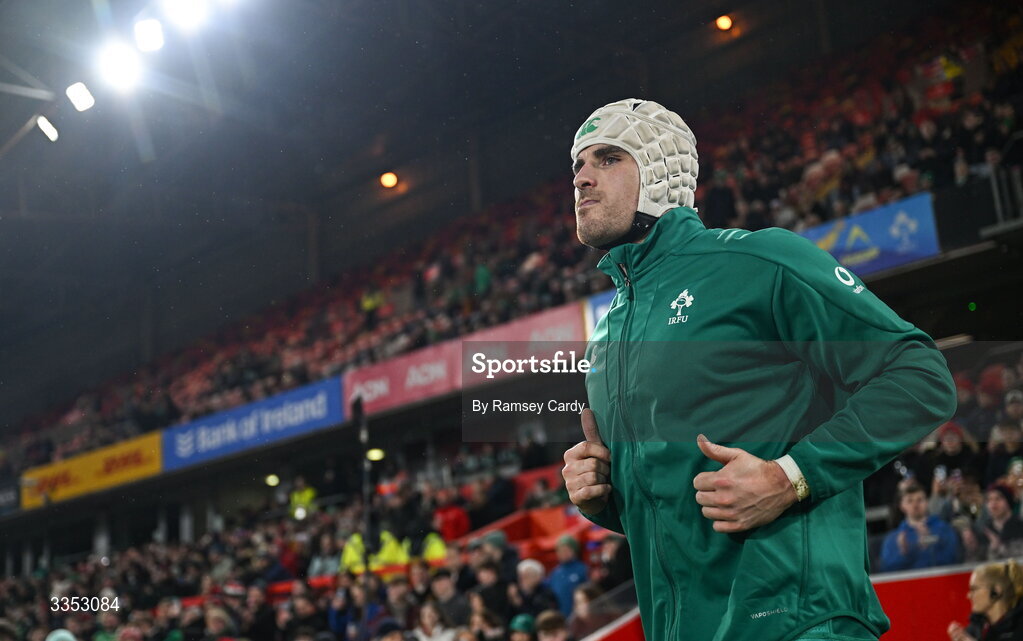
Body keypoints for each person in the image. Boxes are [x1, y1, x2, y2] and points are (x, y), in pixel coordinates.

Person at [561, 99, 957, 641]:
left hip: (798, 622)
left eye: (606, 158)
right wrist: (604, 497)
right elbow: (672, 502)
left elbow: (921, 376)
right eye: (578, 166)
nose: (581, 178)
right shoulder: (609, 334)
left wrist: (789, 477)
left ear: (659, 172)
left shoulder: (761, 262)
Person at [879, 482, 960, 571]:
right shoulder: (893, 538)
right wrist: (904, 552)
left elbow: (953, 559)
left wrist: (929, 548)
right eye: (910, 501)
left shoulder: (944, 529)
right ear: (902, 506)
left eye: (920, 500)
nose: (915, 505)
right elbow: (887, 570)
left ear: (926, 502)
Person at [948, 559, 1023, 640]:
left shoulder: (1019, 628)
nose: (969, 596)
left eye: (974, 589)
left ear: (996, 591)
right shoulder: (976, 629)